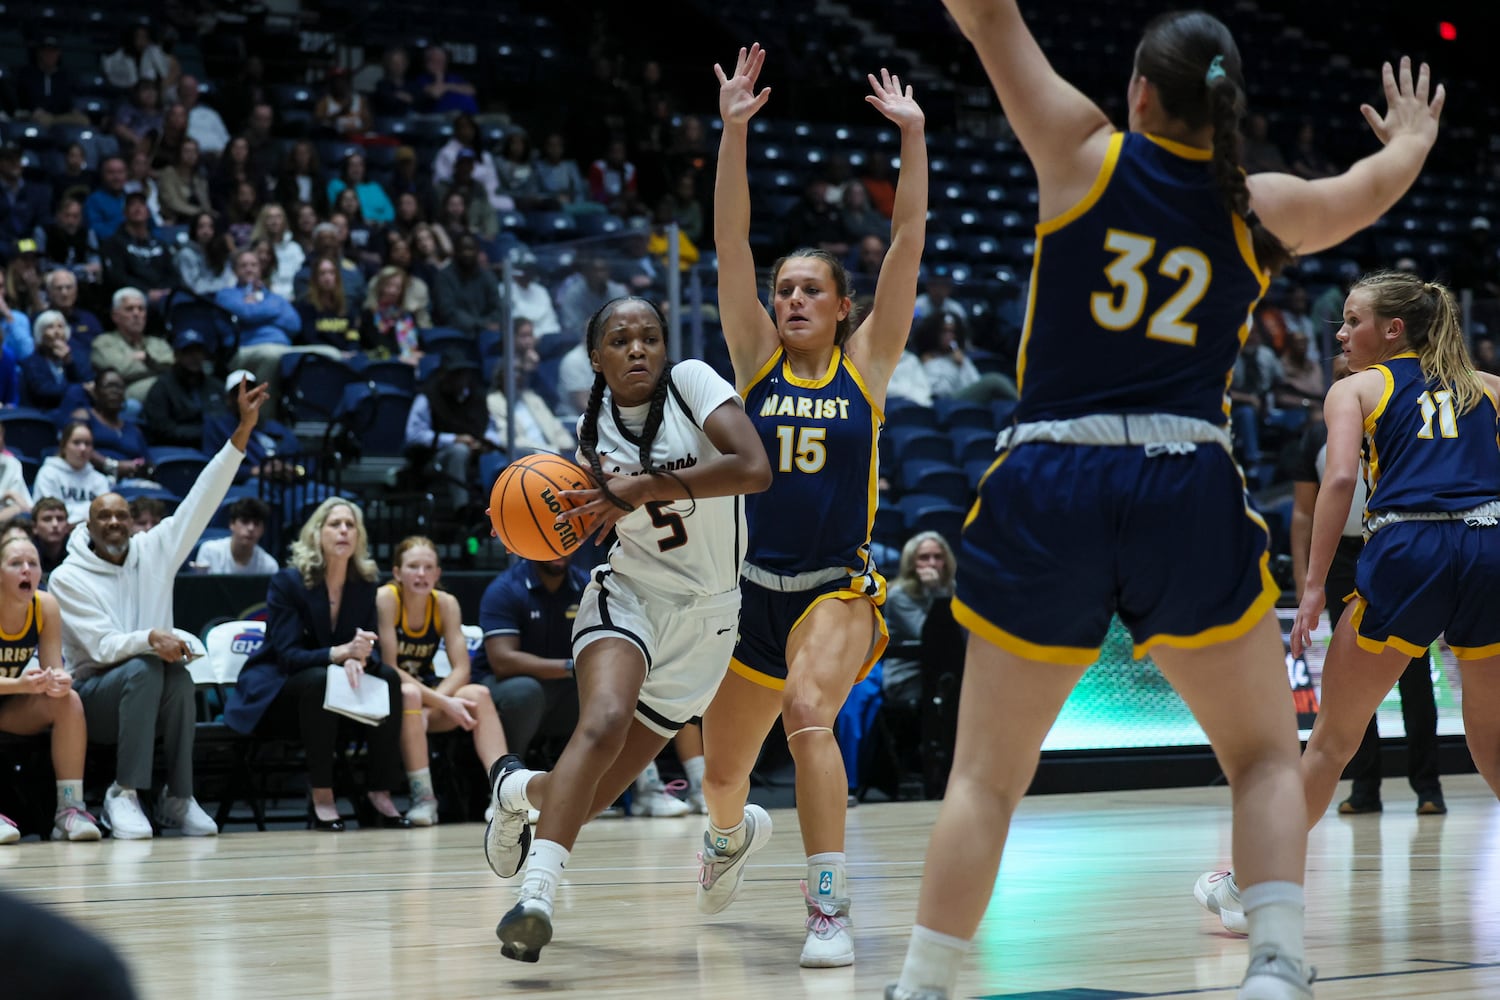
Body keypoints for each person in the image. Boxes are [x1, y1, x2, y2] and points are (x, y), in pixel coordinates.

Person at [888, 5, 1445, 999]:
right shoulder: (1257, 205)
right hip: (1182, 478)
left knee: (984, 779)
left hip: (1049, 477)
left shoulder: (1082, 151)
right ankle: (1275, 967)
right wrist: (1410, 139)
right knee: (1269, 757)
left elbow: (988, 18)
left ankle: (920, 984)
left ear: (1140, 92)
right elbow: (1366, 192)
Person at [695, 46, 927, 970]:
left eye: (809, 291)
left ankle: (828, 904)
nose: (790, 298)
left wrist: (911, 140)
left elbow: (905, 244)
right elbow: (730, 244)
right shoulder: (752, 358)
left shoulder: (865, 368)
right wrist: (733, 134)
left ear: (840, 309)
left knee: (810, 711)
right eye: (784, 289)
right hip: (752, 590)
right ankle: (726, 837)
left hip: (837, 589)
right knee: (721, 776)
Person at [1201, 274, 1498, 939]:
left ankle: (1250, 889)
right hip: (1490, 547)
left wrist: (1311, 585)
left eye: (1352, 320)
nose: (1339, 333)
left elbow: (1338, 479)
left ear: (1393, 329)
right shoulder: (1491, 387)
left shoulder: (1355, 389)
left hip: (1410, 546)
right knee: (1495, 743)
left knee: (1333, 738)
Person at [484, 296, 773, 962]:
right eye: (620, 340)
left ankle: (512, 791)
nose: (638, 348)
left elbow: (755, 470)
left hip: (709, 621)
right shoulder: (591, 439)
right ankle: (535, 899)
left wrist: (641, 487)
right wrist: (548, 518)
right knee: (604, 720)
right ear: (597, 359)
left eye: (649, 337)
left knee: (578, 802)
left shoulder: (693, 383)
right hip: (630, 598)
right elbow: (583, 525)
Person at [47, 381, 269, 840]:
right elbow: (103, 647)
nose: (113, 522)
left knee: (179, 677)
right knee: (147, 669)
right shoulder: (68, 576)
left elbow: (202, 500)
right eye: (103, 517)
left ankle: (178, 798)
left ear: (132, 521)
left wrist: (242, 430)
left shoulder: (156, 550)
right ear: (87, 526)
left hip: (149, 689)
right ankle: (122, 794)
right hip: (93, 699)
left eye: (121, 516)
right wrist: (152, 638)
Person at [1288, 359, 1443, 816]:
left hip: (1395, 547)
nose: (1348, 381)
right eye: (1340, 376)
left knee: (1414, 680)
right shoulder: (1317, 435)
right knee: (1349, 687)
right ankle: (1364, 788)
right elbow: (1303, 512)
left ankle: (1428, 788)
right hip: (1343, 556)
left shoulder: (1400, 416)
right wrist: (1307, 579)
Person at [222, 497, 413, 831]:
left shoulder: (364, 584)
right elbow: (288, 655)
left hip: (334, 689)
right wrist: (341, 654)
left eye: (350, 525)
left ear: (359, 537)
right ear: (316, 533)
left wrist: (362, 659)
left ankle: (380, 790)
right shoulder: (289, 582)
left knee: (388, 680)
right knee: (319, 679)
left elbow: (370, 646)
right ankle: (323, 794)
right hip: (279, 690)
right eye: (334, 524)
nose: (343, 531)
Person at [377, 535, 507, 827]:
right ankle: (423, 799)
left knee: (480, 694)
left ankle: (503, 795)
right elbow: (389, 668)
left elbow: (462, 669)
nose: (421, 574)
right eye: (413, 567)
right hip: (388, 702)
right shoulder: (387, 598)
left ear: (437, 573)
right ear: (397, 573)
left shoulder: (446, 603)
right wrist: (442, 701)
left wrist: (439, 703)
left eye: (428, 567)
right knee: (409, 693)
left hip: (425, 699)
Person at [0, 534, 101, 843]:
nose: (26, 570)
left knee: (67, 700)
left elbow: (53, 664)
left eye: (33, 563)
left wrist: (58, 679)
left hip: (9, 706)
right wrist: (20, 683)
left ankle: (70, 809)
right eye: (16, 563)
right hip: (12, 689)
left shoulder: (45, 606)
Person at [879, 531, 956, 718]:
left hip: (945, 671)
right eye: (924, 557)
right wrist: (936, 592)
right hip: (908, 675)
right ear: (912, 563)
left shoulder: (953, 589)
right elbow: (932, 635)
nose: (932, 563)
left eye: (938, 557)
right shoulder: (899, 595)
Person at [31, 421, 111, 525]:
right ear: (64, 446)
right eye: (76, 442)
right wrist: (88, 511)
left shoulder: (100, 480)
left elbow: (105, 514)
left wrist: (73, 513)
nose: (83, 448)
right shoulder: (48, 474)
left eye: (87, 443)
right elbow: (49, 514)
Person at [191, 496, 278, 575]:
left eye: (256, 524)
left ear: (263, 530)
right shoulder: (209, 551)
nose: (251, 528)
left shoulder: (269, 566)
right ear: (232, 524)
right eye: (245, 521)